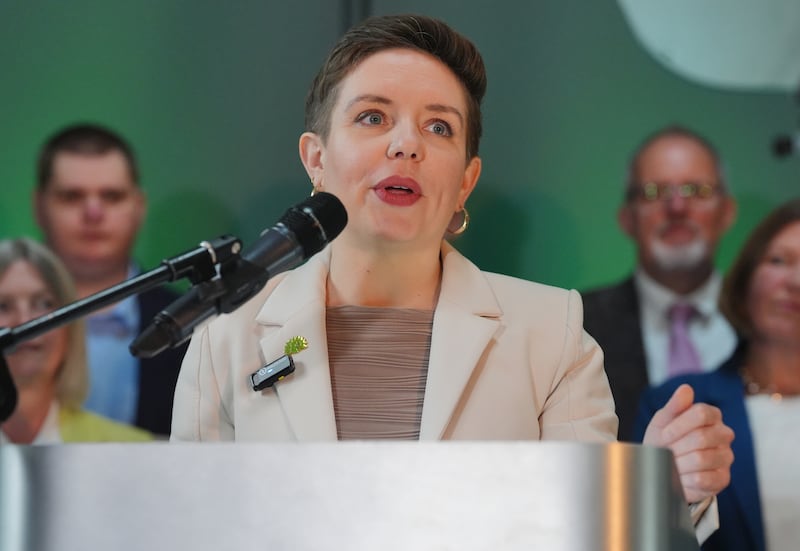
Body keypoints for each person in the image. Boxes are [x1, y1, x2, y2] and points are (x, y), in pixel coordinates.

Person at [171, 14, 733, 538]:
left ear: (465, 181)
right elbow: (186, 532)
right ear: (315, 158)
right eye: (373, 117)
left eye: (439, 127)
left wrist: (662, 491)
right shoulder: (228, 333)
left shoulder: (548, 333)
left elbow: (583, 536)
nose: (406, 144)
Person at [634, 198, 800, 551]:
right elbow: (640, 536)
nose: (796, 281)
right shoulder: (679, 405)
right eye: (779, 261)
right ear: (743, 284)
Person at [583, 126, 738, 441]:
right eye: (654, 192)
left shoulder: (768, 325)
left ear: (727, 213)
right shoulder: (578, 326)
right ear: (627, 218)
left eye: (698, 191)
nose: (678, 208)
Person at [33, 123, 187, 437]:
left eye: (112, 196)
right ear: (39, 207)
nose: (93, 213)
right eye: (72, 196)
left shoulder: (192, 324)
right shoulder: (7, 324)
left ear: (139, 207)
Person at [0, 238, 152, 443]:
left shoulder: (130, 448)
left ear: (71, 328)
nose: (24, 321)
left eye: (44, 303)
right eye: (3, 306)